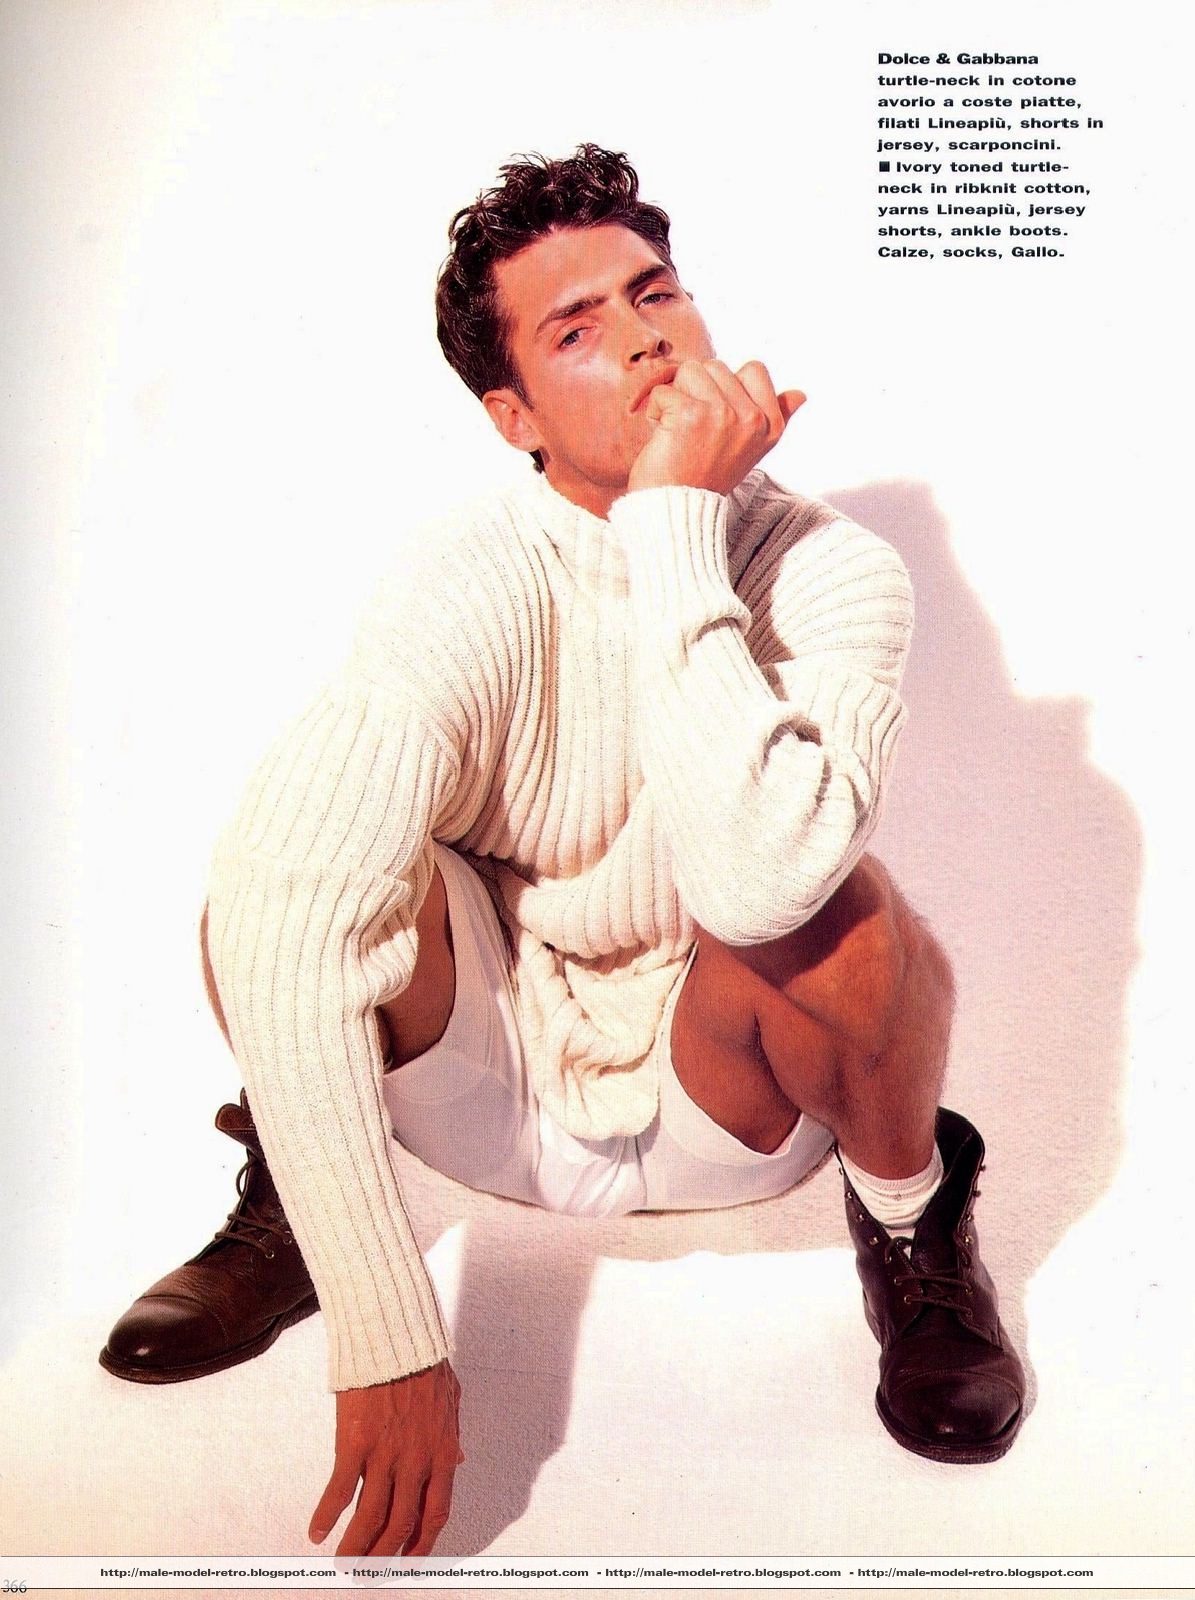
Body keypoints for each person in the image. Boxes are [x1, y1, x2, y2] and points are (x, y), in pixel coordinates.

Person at [99, 145, 1025, 1557]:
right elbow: (284, 909)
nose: (647, 339)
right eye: (578, 330)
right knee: (283, 874)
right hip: (480, 1068)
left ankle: (908, 1220)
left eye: (657, 295)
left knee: (848, 919)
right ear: (513, 417)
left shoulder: (835, 571)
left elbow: (760, 886)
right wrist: (388, 1336)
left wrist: (673, 525)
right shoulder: (463, 577)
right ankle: (305, 1182)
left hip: (730, 1093)